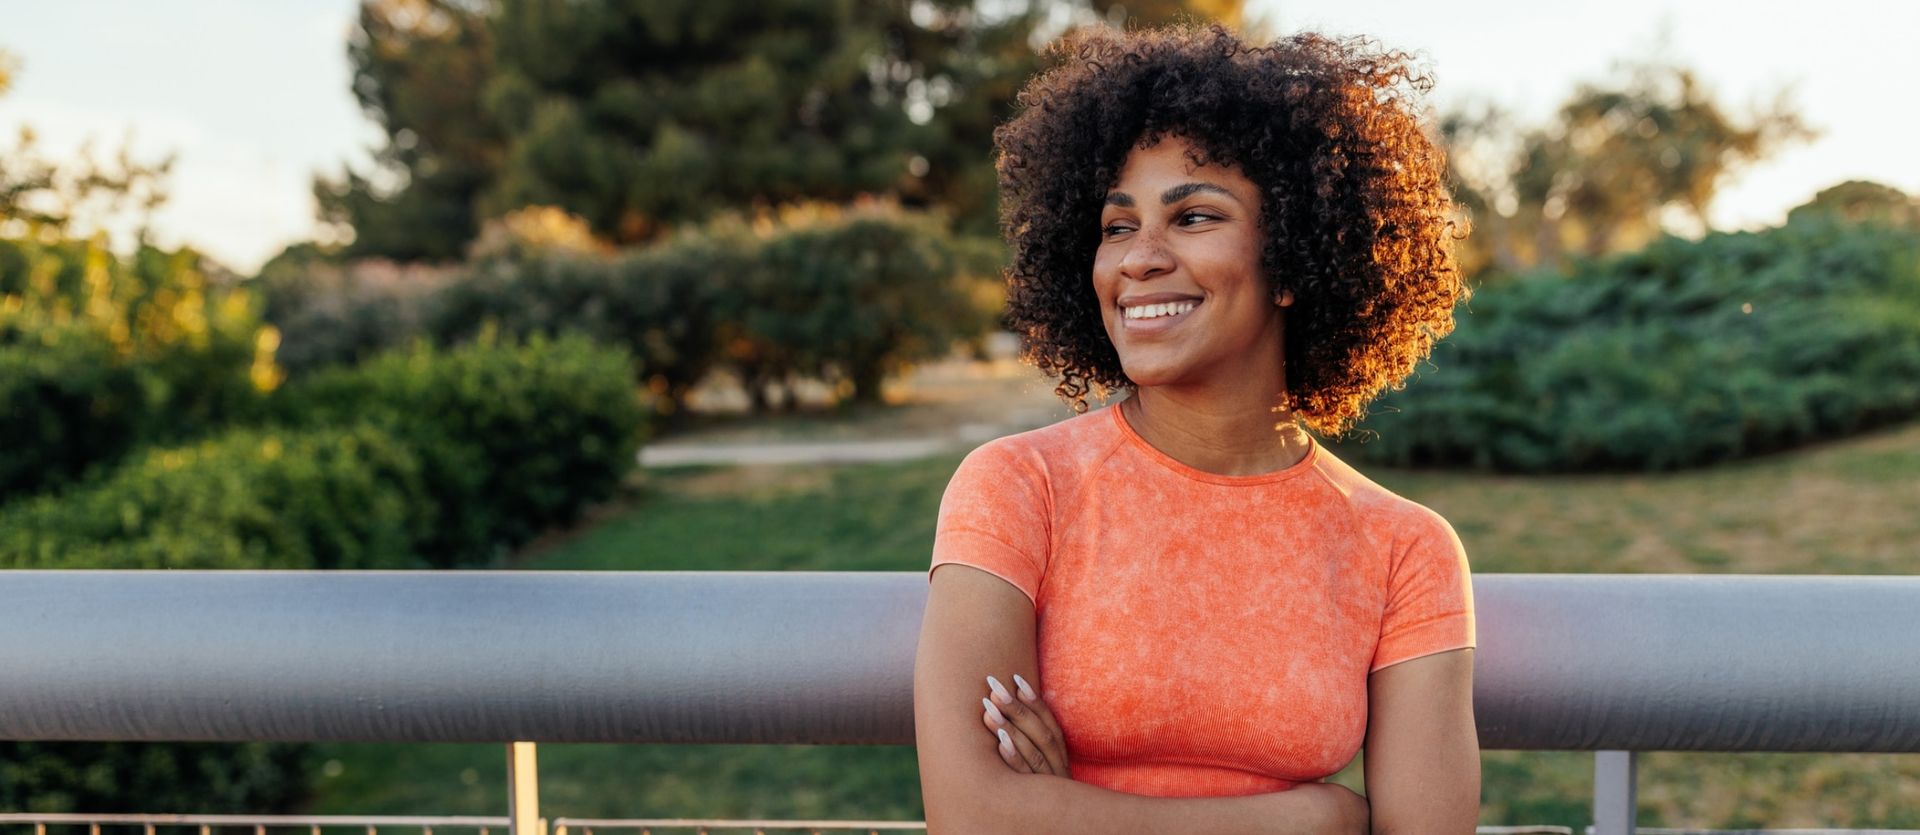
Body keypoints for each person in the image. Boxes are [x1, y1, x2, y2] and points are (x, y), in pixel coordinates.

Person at [912, 20, 1479, 835]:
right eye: (1116, 226)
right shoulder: (1017, 485)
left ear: (1291, 259)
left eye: (1193, 217)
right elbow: (974, 817)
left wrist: (1065, 806)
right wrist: (1306, 820)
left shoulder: (1404, 549)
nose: (1138, 258)